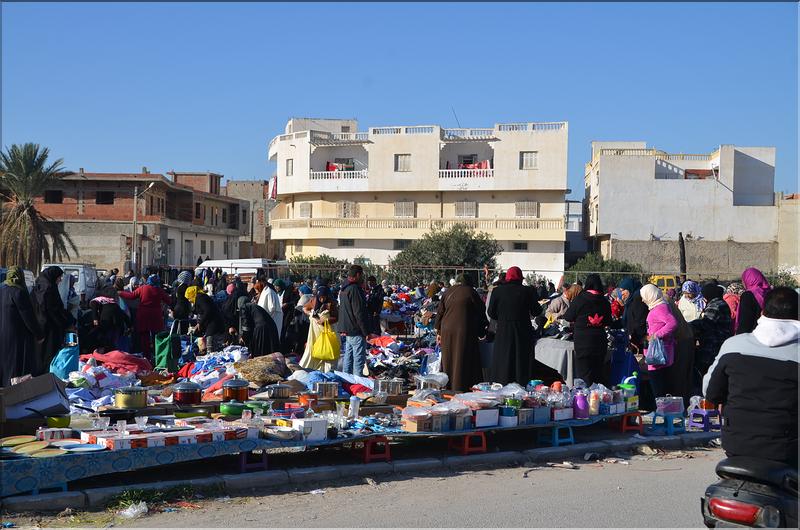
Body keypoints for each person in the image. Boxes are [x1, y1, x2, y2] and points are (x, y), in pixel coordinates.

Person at [703, 287, 798, 466]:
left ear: (762, 312)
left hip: (736, 444)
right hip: (788, 450)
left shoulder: (733, 345)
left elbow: (710, 392)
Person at [487, 266, 542, 385]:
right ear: (520, 278)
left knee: (503, 358)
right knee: (520, 358)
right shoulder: (527, 291)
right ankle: (521, 385)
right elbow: (537, 311)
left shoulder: (497, 291)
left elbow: (491, 312)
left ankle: (501, 384)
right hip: (522, 330)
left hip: (503, 330)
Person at [435, 274, 488, 391]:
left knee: (449, 359)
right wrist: (482, 331)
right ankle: (462, 387)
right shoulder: (471, 292)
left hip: (447, 330)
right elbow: (480, 311)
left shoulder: (447, 292)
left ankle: (447, 387)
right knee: (462, 358)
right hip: (464, 329)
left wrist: (439, 332)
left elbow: (440, 313)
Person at [563, 274, 612, 386]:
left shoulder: (580, 299)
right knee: (597, 374)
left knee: (584, 376)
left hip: (583, 343)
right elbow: (609, 322)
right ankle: (597, 400)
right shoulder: (604, 301)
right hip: (600, 342)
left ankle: (585, 401)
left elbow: (568, 317)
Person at [0, 267, 44, 385]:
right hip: (16, 337)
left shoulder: (2, 289)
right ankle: (13, 390)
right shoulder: (19, 292)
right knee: (15, 364)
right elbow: (28, 317)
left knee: (4, 363)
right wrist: (39, 335)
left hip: (3, 334)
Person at [31, 266, 74, 375]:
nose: (60, 280)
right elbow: (53, 310)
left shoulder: (39, 285)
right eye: (59, 277)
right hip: (49, 327)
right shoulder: (49, 289)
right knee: (48, 353)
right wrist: (66, 324)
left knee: (39, 353)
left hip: (39, 324)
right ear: (54, 276)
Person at [690, 283, 733, 394]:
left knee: (707, 374)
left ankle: (707, 397)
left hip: (713, 347)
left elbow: (705, 323)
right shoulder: (719, 303)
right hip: (716, 345)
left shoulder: (716, 305)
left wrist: (686, 326)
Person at [117, 274, 171, 358]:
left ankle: (146, 356)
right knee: (156, 336)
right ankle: (157, 355)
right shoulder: (159, 290)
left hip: (143, 315)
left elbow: (131, 296)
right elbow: (169, 301)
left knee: (144, 336)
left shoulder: (143, 288)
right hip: (156, 316)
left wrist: (120, 293)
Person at [640, 284, 678, 398]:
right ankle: (663, 408)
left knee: (657, 382)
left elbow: (672, 323)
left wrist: (655, 336)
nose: (642, 299)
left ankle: (661, 409)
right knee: (661, 382)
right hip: (661, 350)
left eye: (644, 296)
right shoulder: (660, 306)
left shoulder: (659, 308)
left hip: (659, 352)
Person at [338, 265, 370, 376]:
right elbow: (359, 312)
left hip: (347, 329)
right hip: (356, 330)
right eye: (361, 275)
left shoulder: (344, 288)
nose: (362, 278)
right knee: (358, 360)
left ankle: (346, 381)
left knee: (348, 357)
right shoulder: (355, 289)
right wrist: (365, 331)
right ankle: (358, 383)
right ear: (357, 275)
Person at [299, 286, 339, 372]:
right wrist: (311, 314)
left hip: (327, 330)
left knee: (326, 349)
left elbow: (336, 318)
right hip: (315, 331)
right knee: (315, 348)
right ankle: (313, 367)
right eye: (320, 297)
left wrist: (326, 320)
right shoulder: (314, 300)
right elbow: (305, 308)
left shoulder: (331, 303)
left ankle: (327, 370)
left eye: (324, 297)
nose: (322, 299)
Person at [88, 287, 131, 353]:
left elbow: (94, 304)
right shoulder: (113, 302)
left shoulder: (99, 299)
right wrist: (129, 325)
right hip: (117, 321)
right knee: (113, 342)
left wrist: (95, 318)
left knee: (105, 341)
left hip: (107, 320)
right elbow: (122, 314)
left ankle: (106, 354)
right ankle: (113, 354)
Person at [185, 286, 226, 353]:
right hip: (211, 323)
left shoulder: (201, 298)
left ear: (192, 294)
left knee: (211, 345)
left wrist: (200, 323)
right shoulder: (200, 298)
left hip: (213, 324)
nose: (189, 300)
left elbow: (207, 310)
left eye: (189, 298)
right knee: (210, 344)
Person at [735, 267, 771, 335]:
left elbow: (745, 321)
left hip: (753, 335)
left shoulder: (748, 295)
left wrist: (739, 337)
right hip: (769, 334)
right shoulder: (771, 293)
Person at [619, 277, 649, 354]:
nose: (621, 293)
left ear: (630, 288)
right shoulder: (630, 301)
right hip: (634, 338)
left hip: (639, 341)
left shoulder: (638, 300)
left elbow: (640, 321)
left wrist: (634, 338)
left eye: (623, 290)